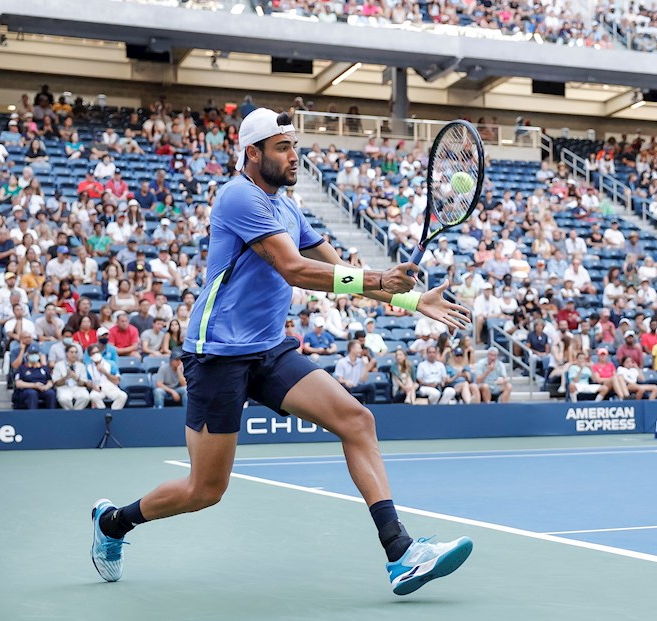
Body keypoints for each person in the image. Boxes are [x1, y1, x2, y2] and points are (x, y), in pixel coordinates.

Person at [89, 109, 472, 595]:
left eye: (295, 146)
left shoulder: (288, 209)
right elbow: (295, 270)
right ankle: (113, 523)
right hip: (218, 356)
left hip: (269, 350)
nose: (294, 156)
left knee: (357, 421)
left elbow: (337, 270)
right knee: (205, 490)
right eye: (282, 147)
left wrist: (412, 299)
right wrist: (378, 279)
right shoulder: (236, 197)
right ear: (253, 153)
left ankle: (400, 552)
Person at [12, 345, 57, 409]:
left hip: (42, 388)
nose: (34, 355)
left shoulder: (44, 368)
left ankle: (52, 415)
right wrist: (34, 385)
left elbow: (50, 381)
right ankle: (32, 415)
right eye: (31, 354)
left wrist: (46, 386)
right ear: (27, 355)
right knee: (32, 393)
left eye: (36, 353)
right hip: (27, 389)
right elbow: (18, 383)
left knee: (51, 393)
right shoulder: (22, 368)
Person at [85, 343, 128, 410]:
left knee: (123, 396)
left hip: (111, 387)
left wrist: (105, 372)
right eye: (93, 353)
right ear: (90, 356)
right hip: (98, 389)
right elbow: (88, 381)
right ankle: (103, 412)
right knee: (93, 396)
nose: (96, 354)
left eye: (97, 352)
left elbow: (116, 381)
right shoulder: (89, 367)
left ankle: (114, 413)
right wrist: (93, 386)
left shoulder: (111, 363)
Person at [333, 340, 377, 404]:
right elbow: (339, 379)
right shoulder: (342, 362)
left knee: (371, 386)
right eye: (359, 348)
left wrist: (366, 367)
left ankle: (370, 409)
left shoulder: (361, 362)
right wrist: (346, 382)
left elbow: (363, 380)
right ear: (352, 349)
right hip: (346, 387)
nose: (361, 350)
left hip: (356, 386)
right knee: (345, 387)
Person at [52, 344, 92, 410]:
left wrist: (77, 378)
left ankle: (75, 413)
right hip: (64, 387)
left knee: (86, 397)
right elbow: (57, 383)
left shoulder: (81, 366)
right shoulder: (59, 365)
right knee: (64, 399)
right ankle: (71, 413)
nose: (74, 354)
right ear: (66, 353)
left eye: (76, 352)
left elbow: (83, 383)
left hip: (78, 387)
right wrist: (66, 377)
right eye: (72, 352)